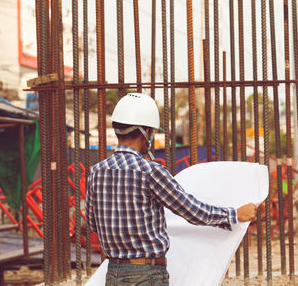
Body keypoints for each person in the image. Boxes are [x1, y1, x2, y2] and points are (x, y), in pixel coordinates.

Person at [86, 93, 257, 286]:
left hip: (113, 274)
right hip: (146, 275)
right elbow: (192, 211)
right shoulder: (150, 171)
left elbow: (93, 224)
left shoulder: (96, 172)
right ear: (147, 133)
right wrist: (234, 215)